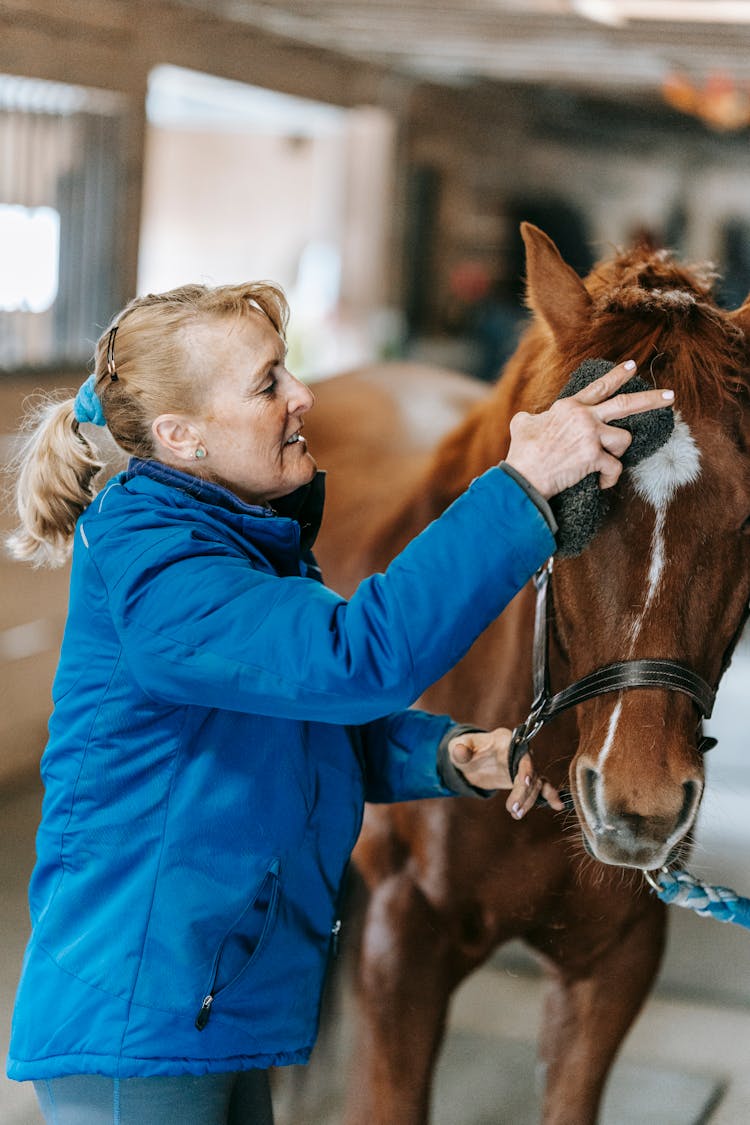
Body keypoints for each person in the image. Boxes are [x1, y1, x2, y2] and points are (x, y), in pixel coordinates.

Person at [5, 281, 674, 1125]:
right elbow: (356, 662)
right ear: (182, 436)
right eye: (266, 383)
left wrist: (442, 753)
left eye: (287, 370)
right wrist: (521, 488)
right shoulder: (163, 572)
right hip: (141, 1024)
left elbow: (292, 735)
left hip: (209, 1007)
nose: (302, 396)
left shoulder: (242, 543)